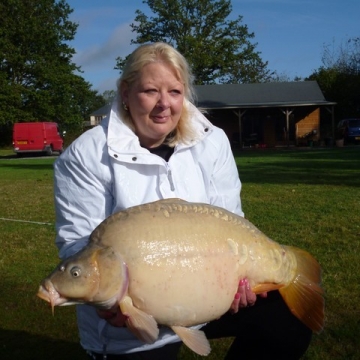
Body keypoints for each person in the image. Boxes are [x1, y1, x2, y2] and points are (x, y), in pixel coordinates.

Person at [54, 42, 312, 360]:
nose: (164, 105)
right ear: (125, 92)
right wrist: (110, 304)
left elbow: (231, 221)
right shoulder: (86, 155)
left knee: (287, 321)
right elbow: (78, 251)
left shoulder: (212, 140)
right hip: (130, 326)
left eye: (175, 92)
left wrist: (239, 280)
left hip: (209, 297)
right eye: (150, 91)